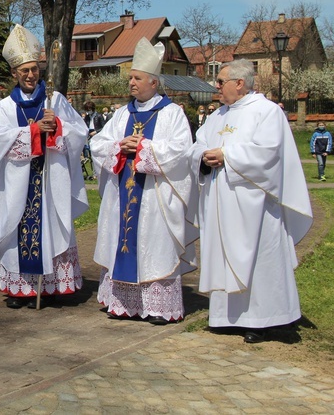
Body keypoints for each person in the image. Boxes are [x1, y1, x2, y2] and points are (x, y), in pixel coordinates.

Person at [191, 59, 312, 343]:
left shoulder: (267, 112)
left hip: (256, 204)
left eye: (220, 82)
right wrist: (202, 156)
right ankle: (225, 317)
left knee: (260, 258)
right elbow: (198, 143)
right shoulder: (217, 115)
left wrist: (227, 156)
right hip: (220, 199)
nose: (216, 87)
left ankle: (262, 320)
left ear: (239, 83)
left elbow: (269, 152)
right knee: (223, 252)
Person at [90, 37, 197, 325]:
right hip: (123, 192)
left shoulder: (172, 113)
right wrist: (118, 146)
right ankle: (122, 303)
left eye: (137, 78)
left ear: (153, 81)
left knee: (154, 245)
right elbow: (98, 144)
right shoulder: (122, 113)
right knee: (121, 240)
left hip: (154, 196)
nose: (131, 83)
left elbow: (180, 150)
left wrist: (144, 148)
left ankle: (159, 308)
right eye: (130, 79)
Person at [0, 24, 89, 309]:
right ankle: (22, 291)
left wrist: (56, 125)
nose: (31, 75)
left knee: (51, 226)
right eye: (24, 71)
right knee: (19, 229)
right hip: (20, 183)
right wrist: (34, 132)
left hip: (50, 180)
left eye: (34, 69)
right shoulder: (6, 107)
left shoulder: (55, 100)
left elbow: (78, 133)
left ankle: (53, 286)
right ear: (14, 74)